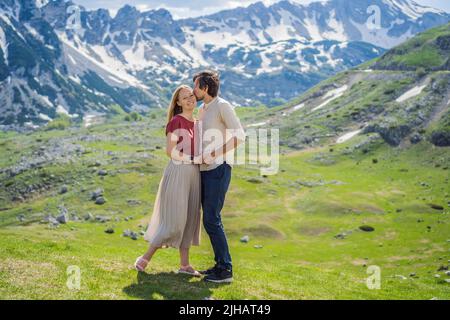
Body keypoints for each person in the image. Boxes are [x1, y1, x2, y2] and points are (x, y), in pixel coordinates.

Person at [134, 85, 202, 277]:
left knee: (190, 220)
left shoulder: (198, 123)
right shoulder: (176, 122)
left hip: (195, 176)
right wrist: (193, 160)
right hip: (178, 172)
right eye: (184, 97)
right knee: (174, 220)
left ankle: (185, 265)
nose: (189, 99)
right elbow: (170, 151)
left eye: (191, 95)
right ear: (178, 103)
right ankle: (145, 258)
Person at [193, 70, 245, 283]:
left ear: (205, 87)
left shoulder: (222, 106)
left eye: (196, 86)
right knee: (209, 219)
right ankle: (219, 264)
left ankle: (226, 271)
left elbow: (240, 136)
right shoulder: (202, 109)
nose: (193, 90)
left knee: (212, 218)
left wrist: (213, 154)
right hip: (204, 170)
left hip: (219, 167)